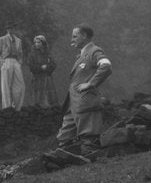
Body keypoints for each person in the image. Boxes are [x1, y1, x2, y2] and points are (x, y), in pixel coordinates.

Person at [57, 25, 112, 156]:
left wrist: (90, 84)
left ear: (84, 36)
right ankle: (62, 158)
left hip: (86, 102)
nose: (72, 39)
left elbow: (106, 66)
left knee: (89, 139)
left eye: (75, 36)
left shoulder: (94, 51)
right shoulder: (82, 55)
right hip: (73, 104)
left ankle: (90, 162)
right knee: (64, 137)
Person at [0, 25, 26, 110]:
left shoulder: (18, 40)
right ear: (7, 29)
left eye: (13, 28)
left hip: (15, 62)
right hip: (6, 61)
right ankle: (7, 107)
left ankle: (17, 107)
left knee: (21, 85)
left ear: (15, 29)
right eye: (9, 28)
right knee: (5, 85)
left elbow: (21, 53)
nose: (11, 30)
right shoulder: (2, 39)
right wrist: (2, 62)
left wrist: (20, 62)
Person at [27, 34, 58, 107]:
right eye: (36, 42)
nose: (37, 44)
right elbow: (31, 67)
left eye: (39, 42)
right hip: (37, 79)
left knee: (49, 99)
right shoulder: (32, 55)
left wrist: (47, 67)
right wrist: (41, 68)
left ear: (43, 43)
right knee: (36, 99)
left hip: (47, 78)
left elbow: (53, 64)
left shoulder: (48, 54)